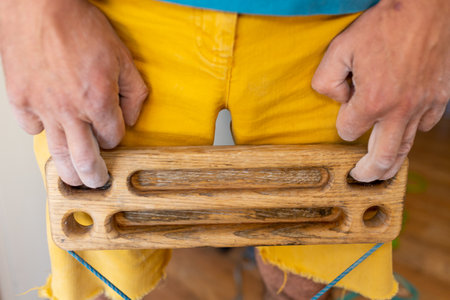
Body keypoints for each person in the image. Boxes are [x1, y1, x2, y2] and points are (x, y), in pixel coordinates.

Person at [0, 0, 448, 299]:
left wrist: (430, 13)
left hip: (336, 25)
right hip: (114, 22)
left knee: (314, 272)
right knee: (102, 275)